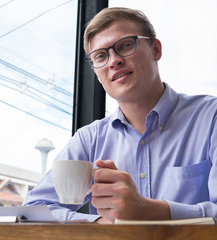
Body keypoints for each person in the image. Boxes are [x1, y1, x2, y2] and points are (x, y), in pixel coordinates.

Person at [22, 7, 217, 224]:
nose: (114, 61)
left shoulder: (211, 118)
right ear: (96, 72)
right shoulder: (89, 139)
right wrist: (99, 225)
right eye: (101, 56)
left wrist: (150, 211)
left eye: (125, 45)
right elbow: (31, 211)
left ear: (156, 50)